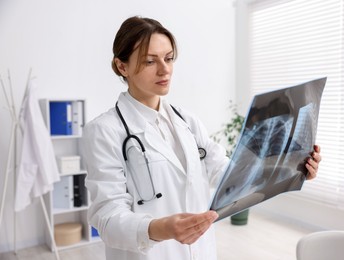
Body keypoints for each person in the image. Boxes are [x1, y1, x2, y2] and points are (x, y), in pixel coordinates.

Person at [82, 16, 322, 260]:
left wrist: (292, 167)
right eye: (149, 61)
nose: (164, 69)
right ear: (122, 67)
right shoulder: (104, 131)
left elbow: (228, 175)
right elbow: (107, 217)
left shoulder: (186, 121)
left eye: (168, 58)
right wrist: (160, 228)